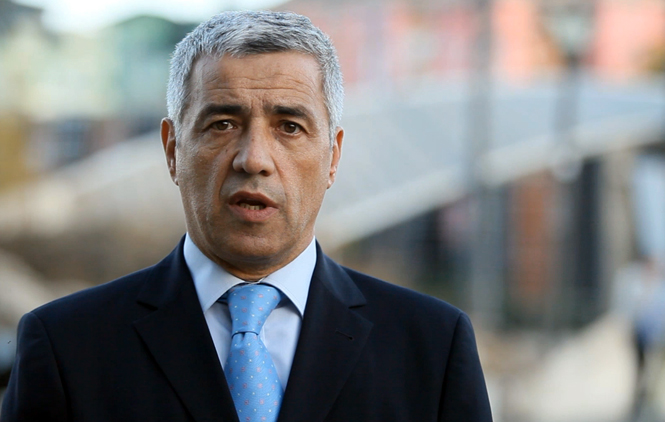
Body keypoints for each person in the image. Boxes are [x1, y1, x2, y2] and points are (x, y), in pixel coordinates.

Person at [1, 11, 492, 422]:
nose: (253, 158)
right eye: (222, 124)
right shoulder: (67, 346)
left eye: (290, 127)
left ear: (333, 157)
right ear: (172, 150)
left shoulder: (432, 345)